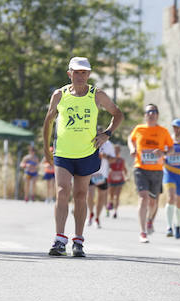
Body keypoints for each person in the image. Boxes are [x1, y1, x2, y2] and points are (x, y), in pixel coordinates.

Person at [42, 56, 123, 257]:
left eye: (84, 72)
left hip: (87, 152)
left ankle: (78, 240)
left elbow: (118, 114)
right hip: (63, 152)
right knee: (62, 190)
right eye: (76, 72)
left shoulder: (97, 95)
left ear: (89, 74)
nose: (80, 76)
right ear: (69, 73)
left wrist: (107, 134)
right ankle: (60, 239)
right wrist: (45, 148)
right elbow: (48, 121)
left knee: (80, 195)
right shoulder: (59, 95)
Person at [129, 104, 174, 243]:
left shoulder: (163, 131)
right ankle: (142, 232)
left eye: (154, 111)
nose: (151, 114)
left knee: (153, 202)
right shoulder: (139, 129)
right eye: (149, 112)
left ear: (157, 115)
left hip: (157, 170)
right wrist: (132, 148)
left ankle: (150, 220)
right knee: (143, 198)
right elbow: (130, 139)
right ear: (145, 115)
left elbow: (171, 148)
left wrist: (164, 152)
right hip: (140, 168)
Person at [86, 136, 115, 228]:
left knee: (101, 197)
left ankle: (97, 218)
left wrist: (105, 156)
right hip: (91, 172)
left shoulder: (108, 144)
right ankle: (91, 213)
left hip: (102, 174)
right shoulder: (89, 140)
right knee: (89, 195)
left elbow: (113, 159)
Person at [107, 144, 128, 218]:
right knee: (111, 195)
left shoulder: (122, 160)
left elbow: (125, 169)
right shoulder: (110, 159)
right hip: (111, 179)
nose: (116, 151)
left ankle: (115, 212)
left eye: (118, 150)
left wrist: (126, 177)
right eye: (115, 150)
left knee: (117, 196)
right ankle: (109, 206)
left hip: (120, 179)